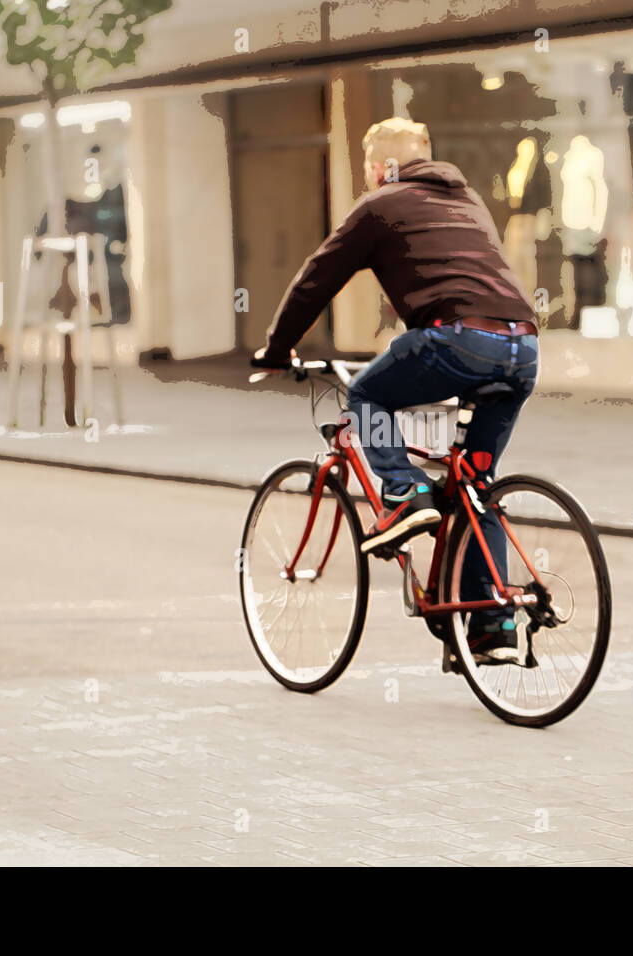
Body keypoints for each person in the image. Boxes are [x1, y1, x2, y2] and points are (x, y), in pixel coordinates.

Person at [252, 117, 540, 663]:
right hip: (521, 348)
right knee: (476, 484)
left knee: (367, 397)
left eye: (368, 170)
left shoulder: (380, 204)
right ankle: (491, 627)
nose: (368, 180)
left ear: (382, 166)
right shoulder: (468, 199)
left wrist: (276, 349)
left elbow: (318, 277)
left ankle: (403, 492)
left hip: (457, 340)